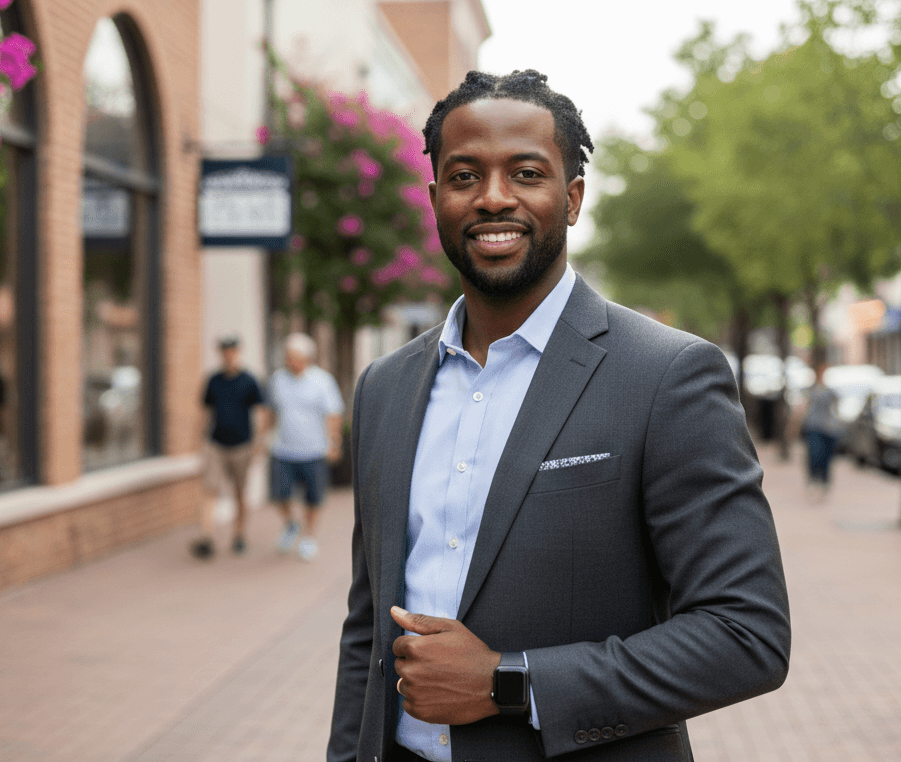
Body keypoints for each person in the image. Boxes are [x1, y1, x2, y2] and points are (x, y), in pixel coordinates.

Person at [329, 70, 790, 762]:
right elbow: (367, 631)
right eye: (464, 176)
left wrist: (507, 683)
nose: (493, 198)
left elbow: (745, 634)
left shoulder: (666, 376)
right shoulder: (383, 388)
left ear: (571, 198)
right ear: (435, 201)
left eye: (525, 173)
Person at [266, 333, 344, 562]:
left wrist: (334, 442)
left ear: (308, 358)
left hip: (314, 451)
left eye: (297, 357)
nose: (292, 362)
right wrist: (263, 438)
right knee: (279, 496)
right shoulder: (278, 379)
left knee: (313, 499)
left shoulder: (322, 380)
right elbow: (271, 411)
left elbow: (334, 414)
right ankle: (291, 525)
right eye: (289, 357)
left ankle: (308, 537)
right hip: (282, 450)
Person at [192, 336, 267, 559]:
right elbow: (205, 412)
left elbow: (260, 412)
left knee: (239, 492)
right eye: (224, 351)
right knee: (210, 489)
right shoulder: (213, 380)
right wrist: (198, 442)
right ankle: (207, 537)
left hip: (242, 445)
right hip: (216, 444)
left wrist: (259, 442)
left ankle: (239, 535)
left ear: (238, 352)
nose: (228, 355)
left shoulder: (249, 380)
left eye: (232, 350)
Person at [799, 363, 842, 500]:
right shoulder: (812, 389)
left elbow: (837, 406)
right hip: (814, 427)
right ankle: (814, 480)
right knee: (814, 454)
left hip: (829, 429)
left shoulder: (831, 391)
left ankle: (824, 481)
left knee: (826, 457)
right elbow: (804, 406)